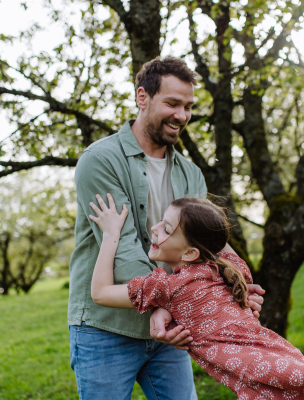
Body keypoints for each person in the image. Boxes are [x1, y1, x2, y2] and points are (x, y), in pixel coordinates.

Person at [68, 57, 265, 400]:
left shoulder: (191, 174)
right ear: (142, 97)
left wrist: (238, 288)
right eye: (172, 103)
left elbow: (209, 246)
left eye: (188, 107)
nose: (182, 115)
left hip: (171, 324)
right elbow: (124, 248)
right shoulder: (99, 160)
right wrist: (171, 303)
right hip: (107, 328)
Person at [88, 195, 304, 400]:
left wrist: (111, 234)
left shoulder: (167, 286)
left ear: (191, 253)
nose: (154, 228)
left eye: (166, 229)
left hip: (254, 366)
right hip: (272, 352)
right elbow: (216, 237)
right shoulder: (228, 267)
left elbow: (99, 293)